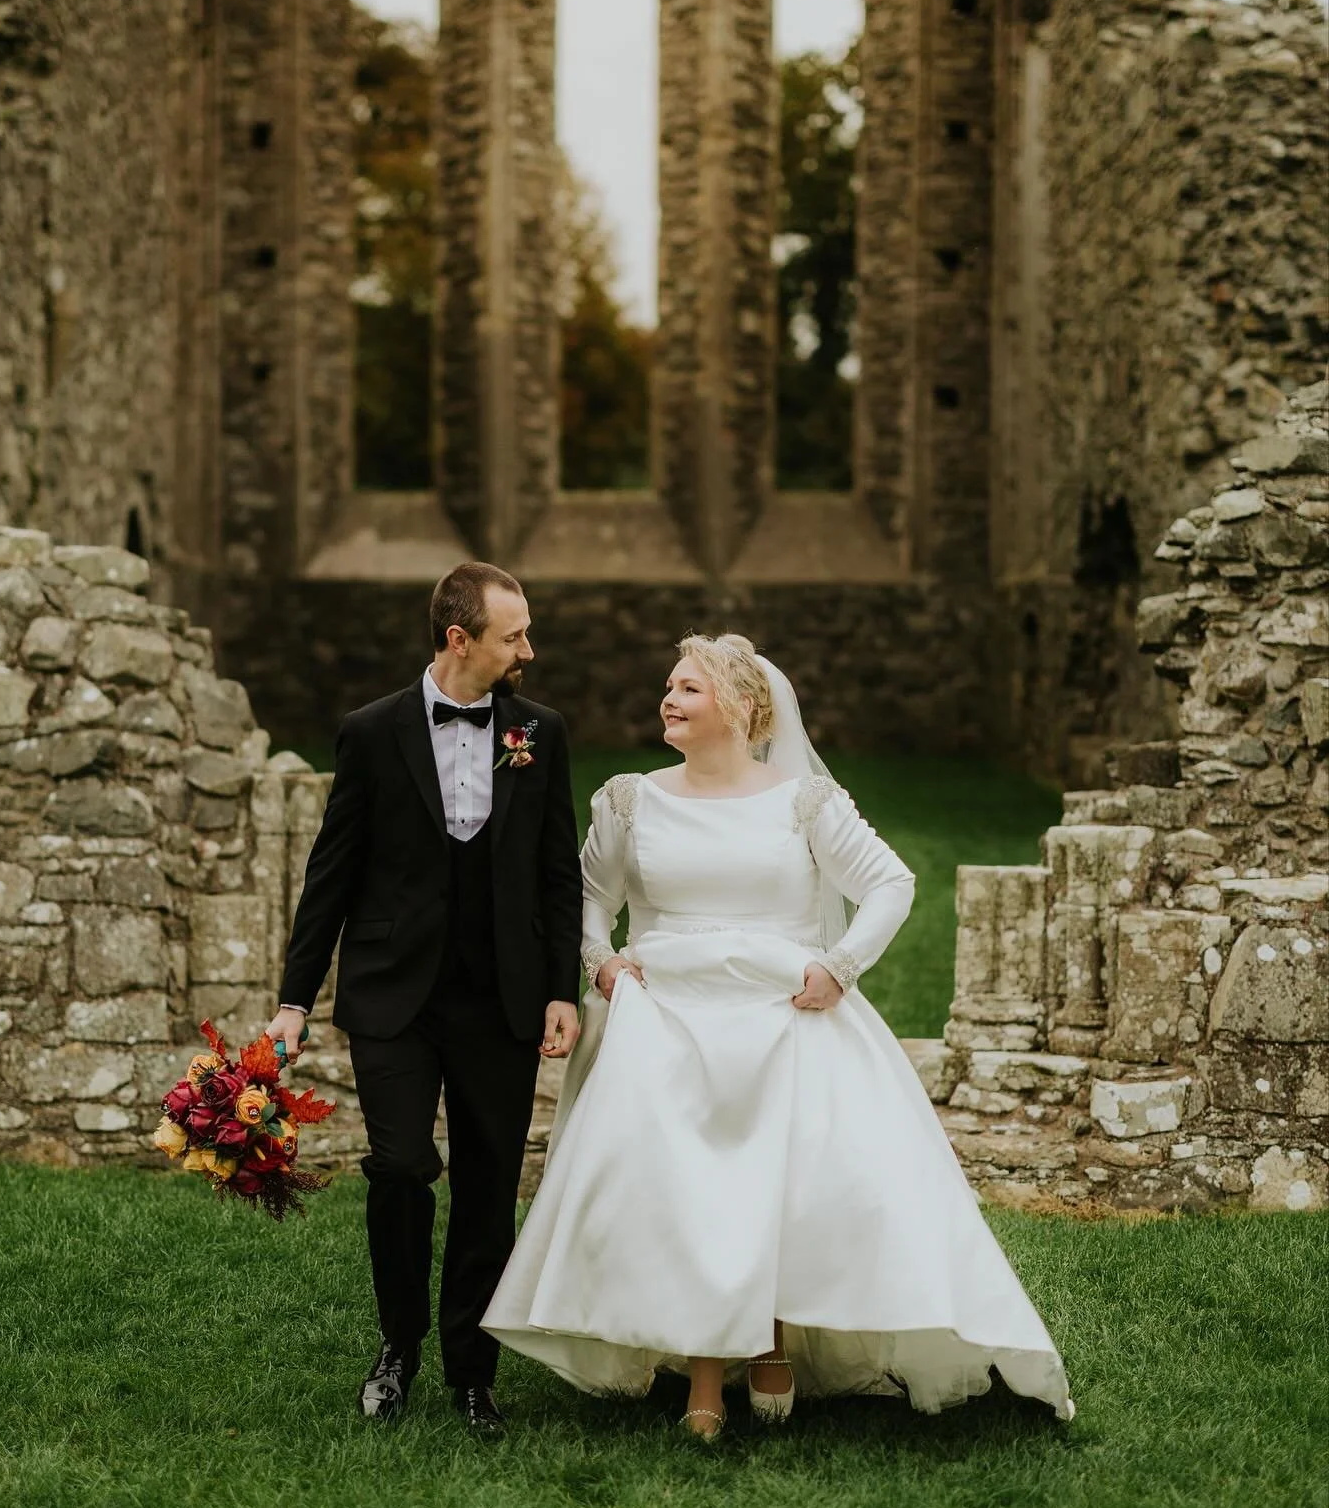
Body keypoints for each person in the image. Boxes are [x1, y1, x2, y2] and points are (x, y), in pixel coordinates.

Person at [484, 633, 1072, 1439]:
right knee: (686, 1188)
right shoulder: (630, 798)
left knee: (778, 1179)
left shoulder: (803, 802)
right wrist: (603, 963)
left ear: (742, 708)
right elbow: (586, 893)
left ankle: (768, 1339)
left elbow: (891, 883)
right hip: (666, 1016)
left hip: (781, 1012)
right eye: (668, 685)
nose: (668, 699)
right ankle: (701, 1370)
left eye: (687, 688)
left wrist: (840, 965)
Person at [264, 562, 582, 1435]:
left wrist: (561, 988)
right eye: (514, 635)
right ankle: (397, 1348)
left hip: (504, 1000)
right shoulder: (371, 732)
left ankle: (473, 1373)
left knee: (487, 1185)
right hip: (393, 996)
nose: (529, 649)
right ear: (459, 639)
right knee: (402, 1167)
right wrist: (294, 1000)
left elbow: (560, 874)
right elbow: (330, 874)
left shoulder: (539, 733)